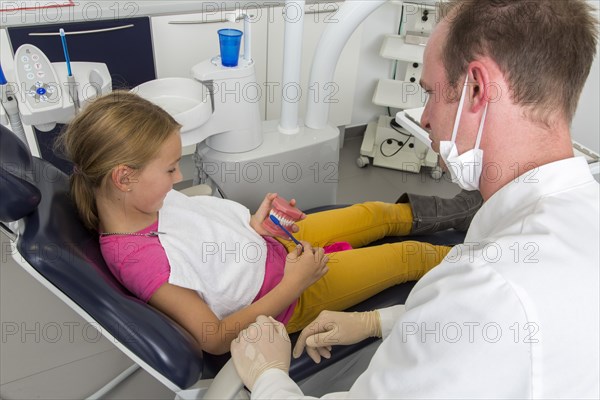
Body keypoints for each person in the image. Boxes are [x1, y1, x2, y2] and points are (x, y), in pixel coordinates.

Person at [230, 0, 600, 397]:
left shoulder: (486, 295)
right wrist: (375, 322)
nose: (424, 118)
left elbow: (474, 316)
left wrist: (268, 376)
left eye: (430, 94)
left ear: (477, 88)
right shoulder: (577, 211)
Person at [59, 91, 481, 355]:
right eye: (170, 169)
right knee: (408, 257)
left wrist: (253, 224)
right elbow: (216, 337)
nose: (178, 178)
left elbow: (205, 238)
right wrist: (295, 283)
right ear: (124, 177)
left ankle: (468, 211)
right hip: (289, 297)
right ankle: (484, 264)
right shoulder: (139, 260)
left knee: (375, 213)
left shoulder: (141, 201)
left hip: (273, 247)